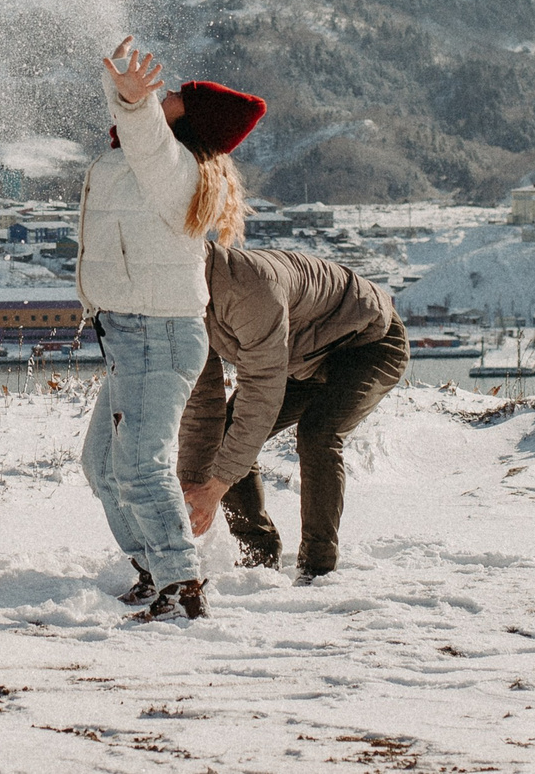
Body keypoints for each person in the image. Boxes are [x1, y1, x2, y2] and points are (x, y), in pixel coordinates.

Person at [76, 39, 266, 623]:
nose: (167, 96)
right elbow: (137, 128)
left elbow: (146, 134)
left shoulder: (174, 170)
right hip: (131, 331)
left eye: (178, 97)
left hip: (155, 333)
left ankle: (182, 584)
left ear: (191, 126)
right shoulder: (152, 164)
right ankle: (152, 568)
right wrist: (124, 91)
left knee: (140, 466)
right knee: (103, 464)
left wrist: (136, 105)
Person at [178, 245, 407, 580]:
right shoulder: (184, 304)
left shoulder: (250, 289)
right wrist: (193, 482)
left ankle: (317, 568)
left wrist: (216, 488)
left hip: (369, 341)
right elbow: (203, 402)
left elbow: (260, 397)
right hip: (305, 357)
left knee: (318, 433)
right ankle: (260, 554)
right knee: (226, 434)